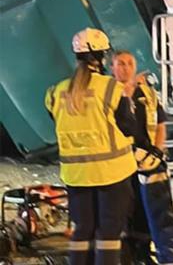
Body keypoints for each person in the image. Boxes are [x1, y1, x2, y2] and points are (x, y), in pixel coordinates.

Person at [45, 28, 139, 265]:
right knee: (108, 233)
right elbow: (130, 129)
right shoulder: (111, 88)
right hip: (112, 173)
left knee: (82, 231)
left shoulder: (56, 92)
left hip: (76, 176)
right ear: (101, 57)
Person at [112, 51, 173, 265]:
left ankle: (145, 256)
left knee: (152, 211)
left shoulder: (148, 92)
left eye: (129, 63)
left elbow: (160, 123)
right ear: (112, 68)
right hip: (122, 162)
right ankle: (129, 256)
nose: (125, 68)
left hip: (149, 161)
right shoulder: (108, 93)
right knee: (126, 212)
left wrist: (157, 150)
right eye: (120, 64)